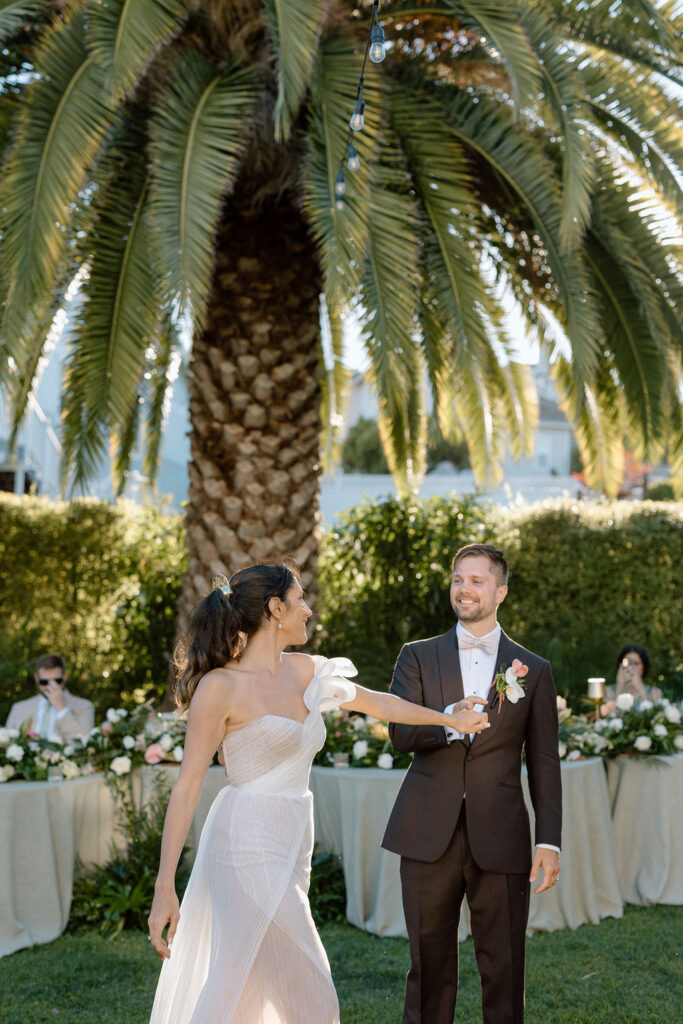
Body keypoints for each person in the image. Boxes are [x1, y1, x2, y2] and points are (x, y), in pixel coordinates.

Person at [147, 563, 490, 1024]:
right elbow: (187, 787)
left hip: (292, 842)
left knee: (248, 987)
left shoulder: (308, 670)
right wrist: (165, 887)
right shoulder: (219, 687)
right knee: (312, 994)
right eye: (300, 598)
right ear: (275, 608)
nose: (307, 609)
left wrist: (449, 718)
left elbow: (378, 703)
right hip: (244, 843)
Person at [381, 543, 562, 1024]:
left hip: (501, 836)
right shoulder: (416, 657)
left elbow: (544, 763)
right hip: (425, 834)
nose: (464, 588)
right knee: (428, 967)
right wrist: (447, 722)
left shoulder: (534, 669)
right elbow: (399, 734)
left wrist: (549, 841)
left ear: (500, 591)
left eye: (477, 580)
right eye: (459, 579)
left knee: (504, 967)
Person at [5, 653, 94, 742]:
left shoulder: (85, 707)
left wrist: (62, 708)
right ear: (37, 678)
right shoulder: (19, 708)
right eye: (44, 682)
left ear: (65, 676)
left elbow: (82, 744)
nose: (51, 686)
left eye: (57, 681)